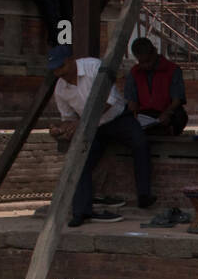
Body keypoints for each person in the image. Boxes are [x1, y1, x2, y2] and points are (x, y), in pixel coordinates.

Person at [46, 45, 156, 226]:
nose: (59, 73)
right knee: (79, 162)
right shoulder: (60, 89)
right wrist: (60, 130)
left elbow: (108, 102)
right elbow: (68, 118)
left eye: (62, 67)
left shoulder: (94, 67)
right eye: (55, 70)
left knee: (141, 143)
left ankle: (144, 195)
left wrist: (80, 123)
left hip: (117, 118)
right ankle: (81, 212)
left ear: (71, 60)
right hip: (92, 128)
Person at [124, 37, 187, 136]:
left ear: (154, 53)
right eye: (142, 62)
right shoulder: (134, 72)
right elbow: (132, 101)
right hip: (145, 114)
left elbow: (177, 100)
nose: (145, 66)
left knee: (180, 116)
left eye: (148, 61)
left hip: (167, 112)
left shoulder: (172, 69)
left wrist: (166, 113)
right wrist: (135, 115)